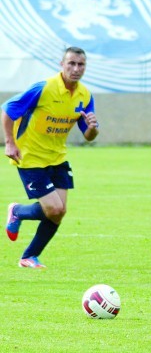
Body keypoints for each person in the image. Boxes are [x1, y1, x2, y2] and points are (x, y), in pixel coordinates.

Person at [2, 46, 99, 269]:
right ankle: (17, 212)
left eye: (81, 64)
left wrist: (93, 127)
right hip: (30, 156)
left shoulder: (85, 95)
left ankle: (29, 256)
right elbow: (8, 110)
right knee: (54, 209)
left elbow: (89, 135)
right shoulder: (43, 88)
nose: (76, 69)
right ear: (61, 65)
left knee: (58, 212)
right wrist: (9, 142)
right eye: (71, 64)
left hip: (57, 157)